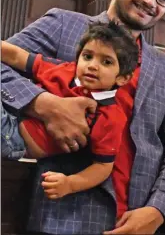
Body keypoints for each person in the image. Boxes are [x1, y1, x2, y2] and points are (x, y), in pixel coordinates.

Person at [1, 0, 165, 234]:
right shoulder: (64, 24)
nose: (151, 2)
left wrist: (160, 209)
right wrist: (42, 104)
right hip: (64, 215)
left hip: (141, 220)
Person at [1, 22, 138, 199]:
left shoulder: (110, 116)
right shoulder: (64, 70)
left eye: (106, 61)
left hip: (15, 139)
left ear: (122, 78)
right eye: (88, 56)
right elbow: (18, 56)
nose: (93, 66)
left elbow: (103, 166)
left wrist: (70, 184)